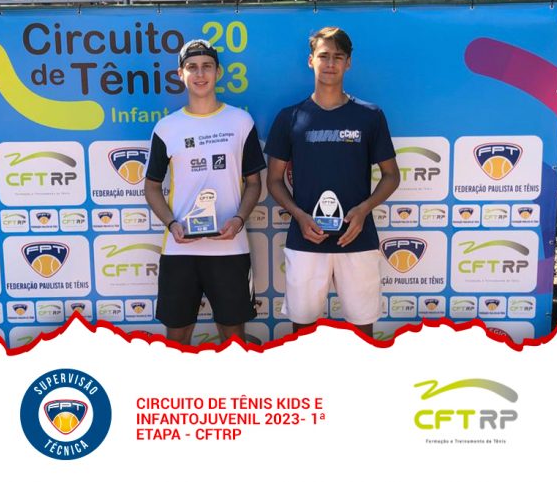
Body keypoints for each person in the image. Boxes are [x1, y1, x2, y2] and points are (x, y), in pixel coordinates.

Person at [265, 26, 400, 337]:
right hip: (306, 240)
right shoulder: (290, 117)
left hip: (357, 239)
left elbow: (392, 175)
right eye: (323, 56)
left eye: (338, 57)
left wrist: (363, 210)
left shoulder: (370, 115)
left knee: (362, 330)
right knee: (302, 331)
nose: (330, 63)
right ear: (310, 60)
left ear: (348, 63)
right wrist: (299, 216)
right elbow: (273, 180)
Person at [144, 39, 266, 345]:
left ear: (218, 72)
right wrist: (172, 224)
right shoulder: (166, 128)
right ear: (180, 74)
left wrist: (238, 220)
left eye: (207, 67)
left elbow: (254, 183)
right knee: (177, 339)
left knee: (233, 339)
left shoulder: (241, 122)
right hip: (180, 249)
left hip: (230, 248)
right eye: (192, 67)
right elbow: (152, 187)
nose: (200, 74)